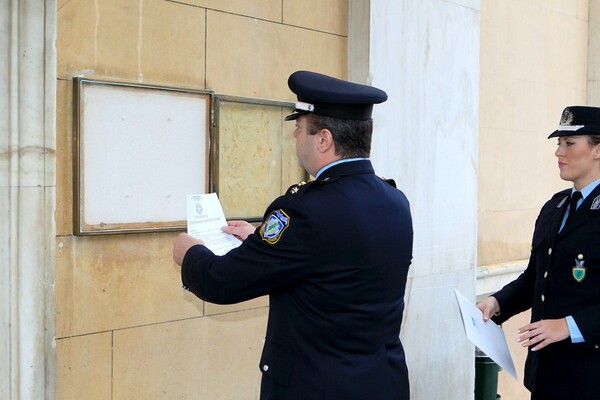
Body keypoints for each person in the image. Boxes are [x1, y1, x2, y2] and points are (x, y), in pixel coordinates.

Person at [172, 70, 413, 400]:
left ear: (324, 139)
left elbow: (222, 281)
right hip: (381, 384)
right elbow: (337, 260)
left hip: (318, 388)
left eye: (299, 129)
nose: (296, 138)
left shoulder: (304, 211)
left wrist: (190, 254)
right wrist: (259, 239)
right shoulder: (395, 200)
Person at [477, 105, 600, 400]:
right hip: (547, 373)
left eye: (569, 143)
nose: (559, 152)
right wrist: (497, 303)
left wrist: (570, 326)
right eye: (559, 143)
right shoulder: (554, 207)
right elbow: (537, 275)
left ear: (598, 150)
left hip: (591, 376)